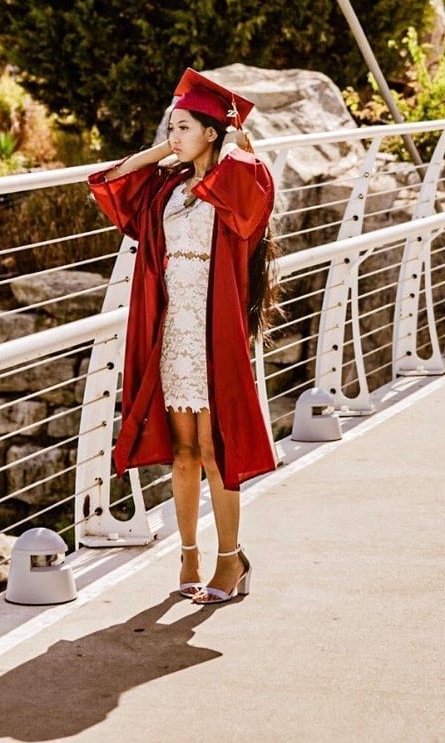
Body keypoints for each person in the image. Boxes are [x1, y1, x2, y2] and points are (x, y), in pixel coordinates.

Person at [88, 68, 278, 605]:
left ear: (212, 133)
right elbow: (112, 182)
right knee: (184, 450)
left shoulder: (237, 182)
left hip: (213, 326)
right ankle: (189, 553)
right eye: (170, 127)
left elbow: (251, 185)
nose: (173, 136)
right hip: (173, 328)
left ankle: (230, 560)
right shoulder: (169, 186)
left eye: (184, 127)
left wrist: (238, 140)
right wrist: (161, 153)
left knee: (217, 450)